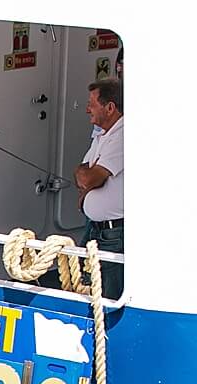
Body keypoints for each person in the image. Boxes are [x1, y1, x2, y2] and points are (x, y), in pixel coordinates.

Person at [75, 79, 124, 298]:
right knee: (86, 285)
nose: (87, 110)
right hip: (98, 229)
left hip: (115, 233)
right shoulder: (103, 134)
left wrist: (89, 182)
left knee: (109, 294)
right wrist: (88, 180)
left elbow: (89, 177)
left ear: (110, 107)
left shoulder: (124, 135)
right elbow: (83, 172)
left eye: (91, 104)